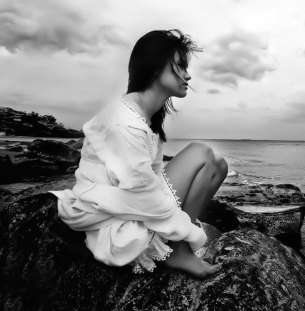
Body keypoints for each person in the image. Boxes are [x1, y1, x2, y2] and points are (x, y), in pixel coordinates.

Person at [49, 29, 227, 279]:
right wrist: (189, 231)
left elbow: (149, 177)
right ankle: (178, 251)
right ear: (154, 68)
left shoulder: (144, 115)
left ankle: (178, 247)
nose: (188, 75)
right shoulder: (124, 121)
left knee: (218, 165)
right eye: (179, 66)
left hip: (130, 199)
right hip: (114, 214)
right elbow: (141, 194)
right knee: (203, 153)